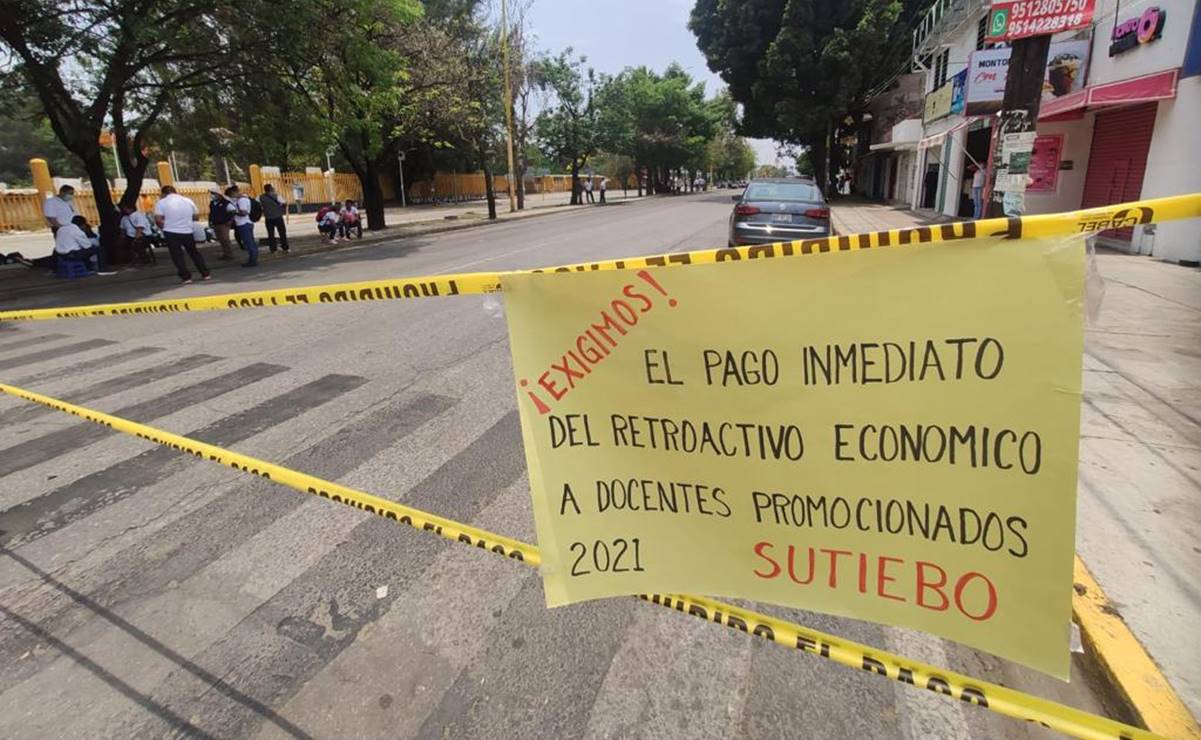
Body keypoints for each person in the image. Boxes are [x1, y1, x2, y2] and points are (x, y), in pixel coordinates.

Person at [154, 185, 210, 284]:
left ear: (163, 193)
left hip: (170, 231)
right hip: (187, 231)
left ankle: (186, 277)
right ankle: (205, 273)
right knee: (194, 253)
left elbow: (158, 220)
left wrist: (164, 227)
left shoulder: (161, 203)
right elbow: (196, 216)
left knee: (177, 255)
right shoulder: (187, 200)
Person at [226, 185, 259, 267]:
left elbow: (244, 213)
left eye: (230, 195)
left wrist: (234, 212)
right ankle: (253, 258)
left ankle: (253, 259)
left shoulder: (241, 200)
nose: (231, 197)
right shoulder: (243, 199)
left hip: (244, 223)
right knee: (250, 241)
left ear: (233, 193)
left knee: (249, 242)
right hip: (246, 223)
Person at [261, 183, 290, 253]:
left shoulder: (261, 197)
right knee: (282, 233)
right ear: (271, 189)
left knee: (271, 234)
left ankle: (273, 249)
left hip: (268, 218)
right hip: (278, 217)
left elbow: (258, 204)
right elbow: (284, 203)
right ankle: (285, 247)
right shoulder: (277, 196)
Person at [208, 189, 235, 260]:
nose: (212, 195)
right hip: (216, 223)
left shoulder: (226, 203)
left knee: (225, 239)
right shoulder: (212, 203)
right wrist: (210, 221)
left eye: (213, 193)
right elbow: (211, 213)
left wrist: (230, 221)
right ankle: (225, 253)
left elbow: (233, 211)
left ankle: (229, 254)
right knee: (220, 239)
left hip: (224, 224)